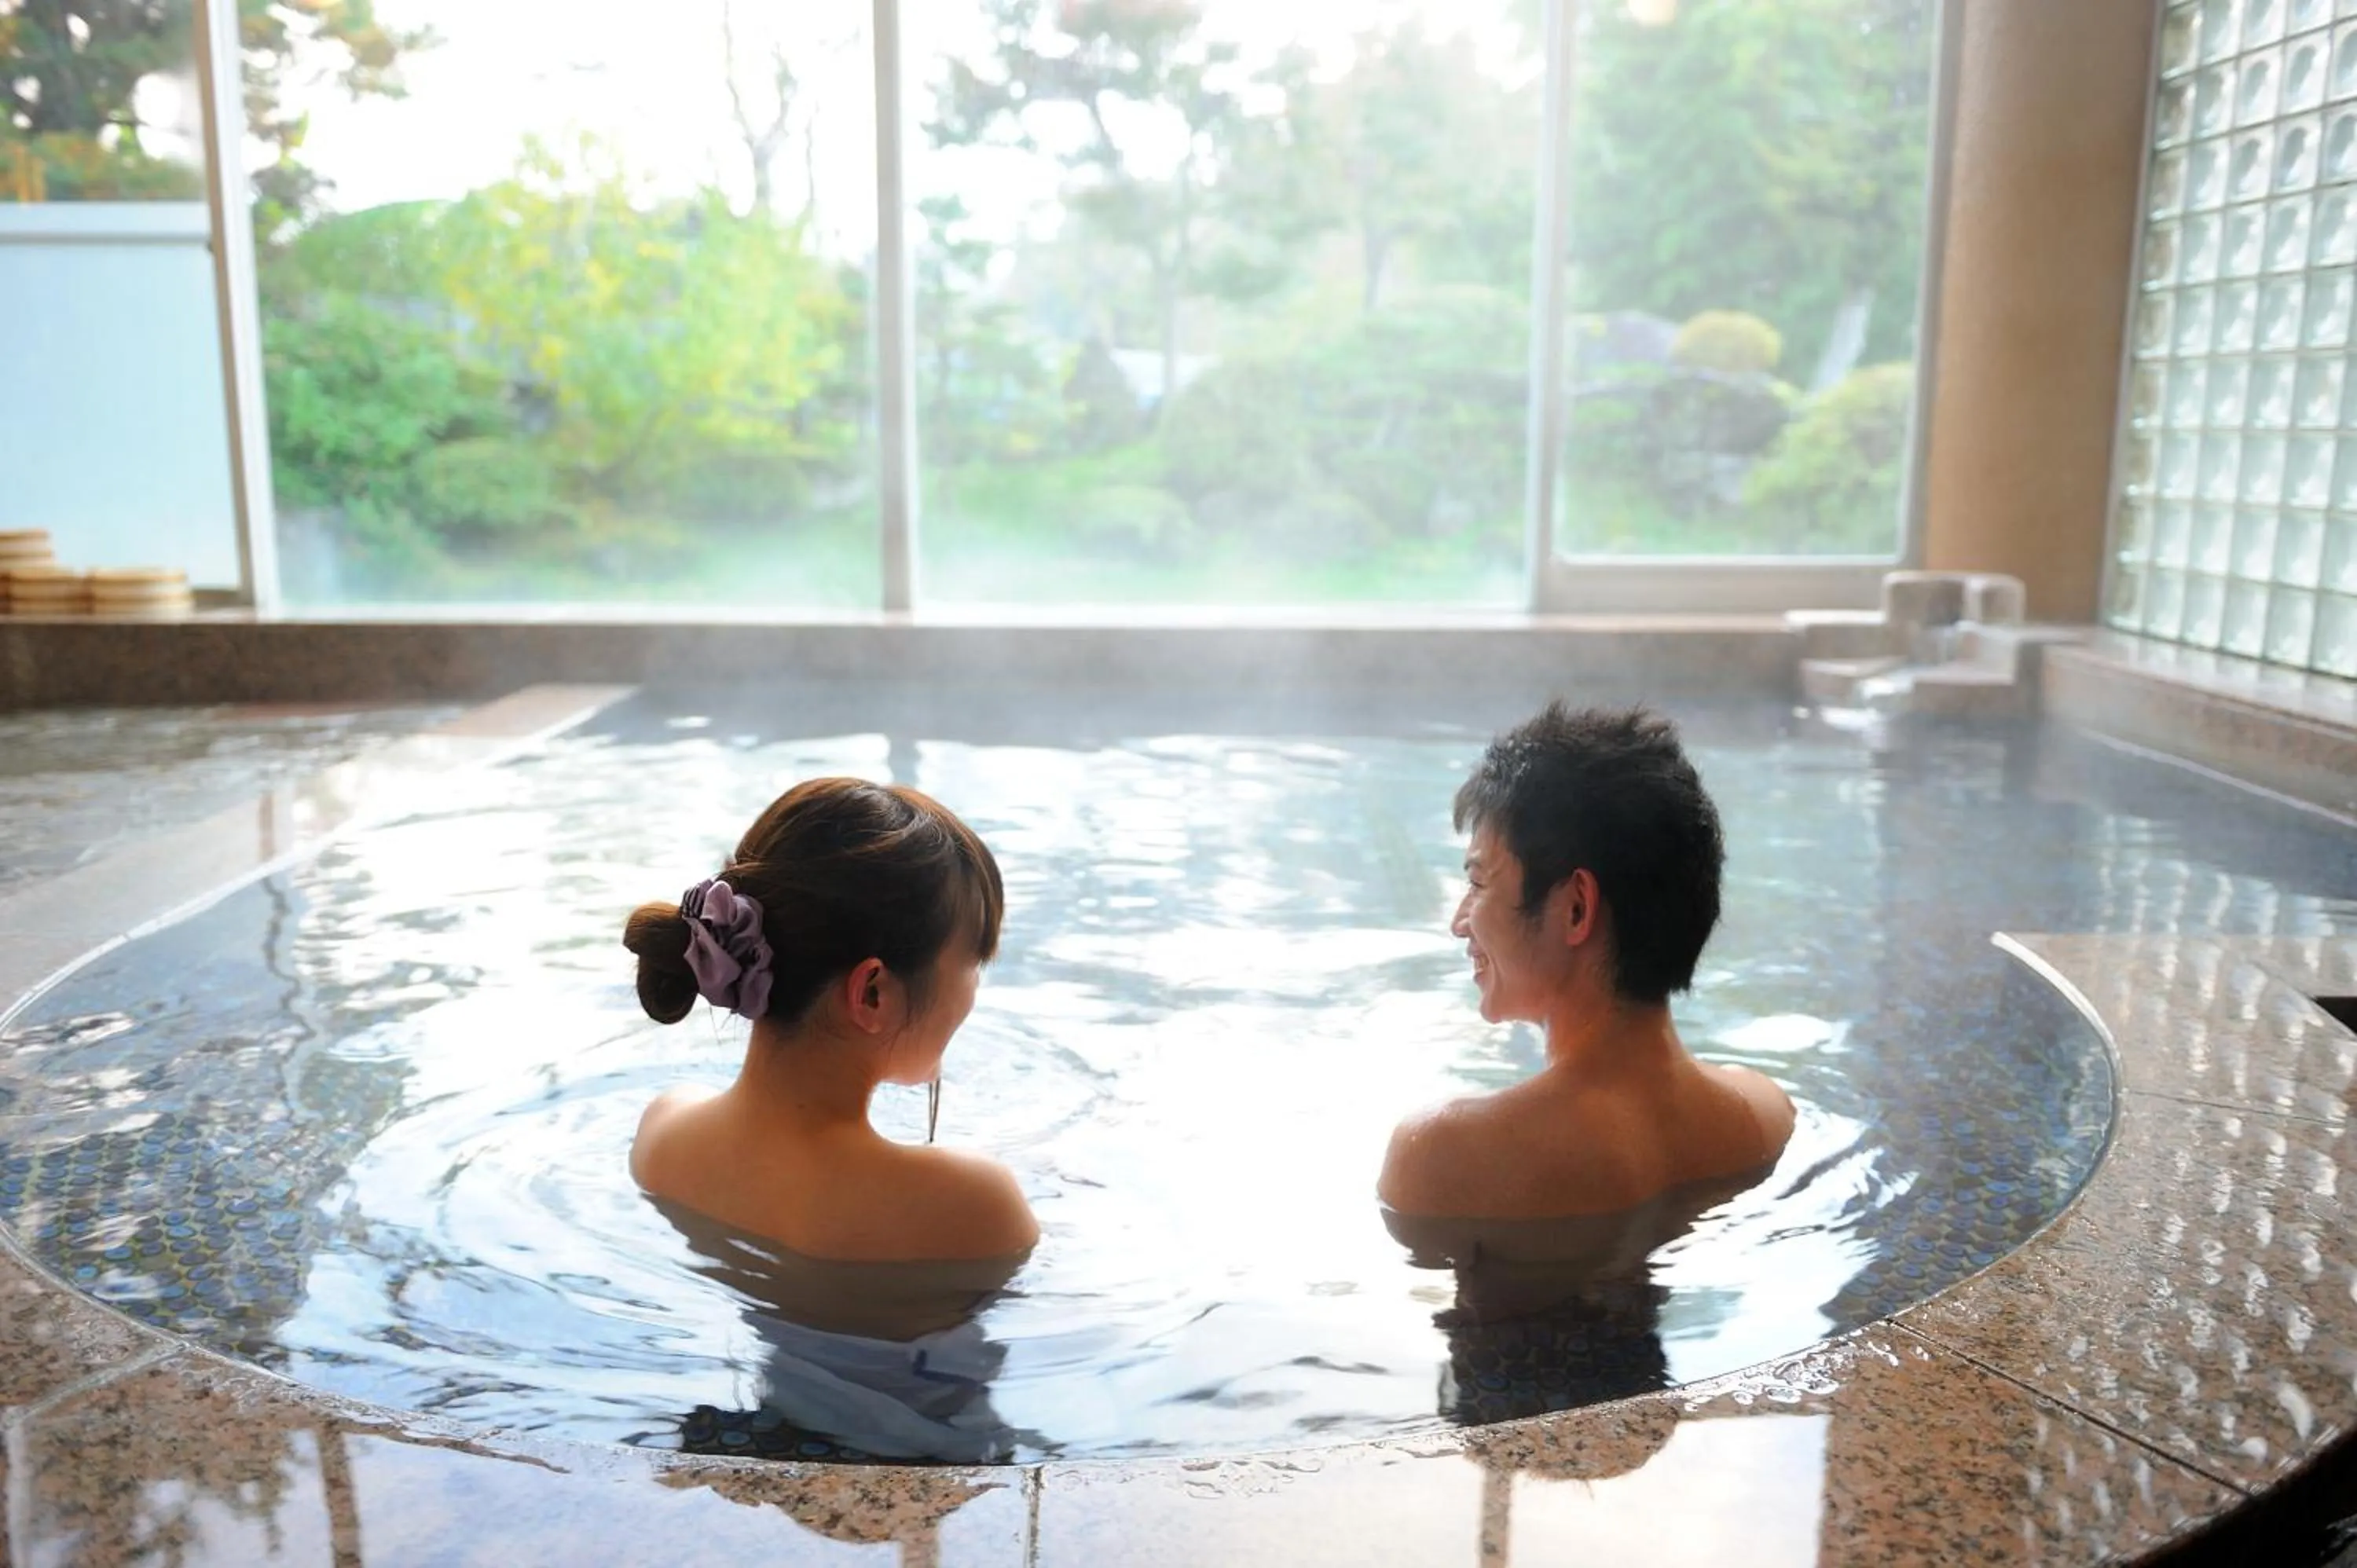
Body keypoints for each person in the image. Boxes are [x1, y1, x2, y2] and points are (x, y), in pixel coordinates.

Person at [1380, 703, 1794, 1221]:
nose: (1460, 922)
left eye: (1480, 882)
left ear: (1575, 908)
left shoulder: (1446, 1156)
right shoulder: (1765, 1116)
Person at [625, 777, 1039, 1268]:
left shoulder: (662, 1134)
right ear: (872, 993)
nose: (974, 989)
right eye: (975, 963)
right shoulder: (975, 1205)